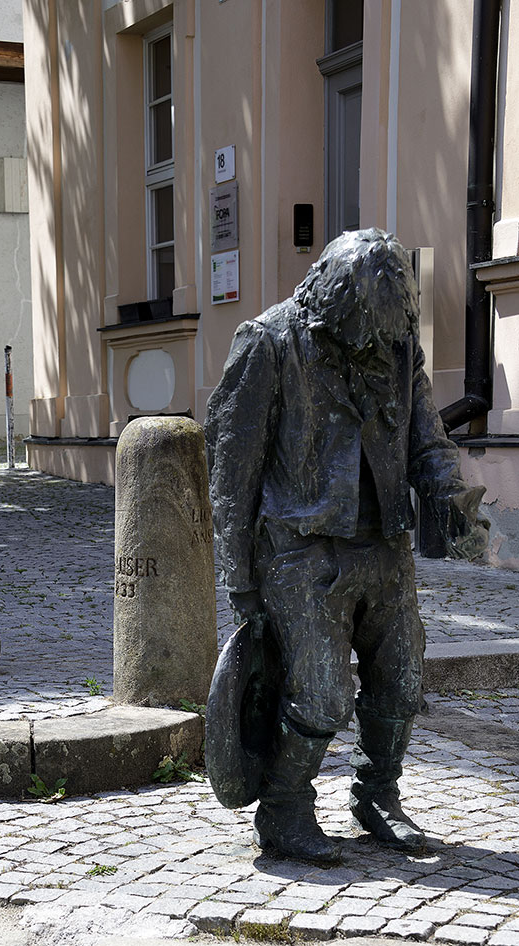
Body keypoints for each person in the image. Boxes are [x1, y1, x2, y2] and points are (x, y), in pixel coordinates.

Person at [205, 228, 488, 865]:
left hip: (384, 546)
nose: (381, 345)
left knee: (403, 680)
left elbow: (427, 441)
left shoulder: (396, 341)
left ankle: (377, 795)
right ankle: (284, 808)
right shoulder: (271, 342)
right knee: (323, 693)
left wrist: (454, 499)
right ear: (336, 305)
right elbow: (230, 465)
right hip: (300, 550)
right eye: (368, 328)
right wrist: (240, 576)